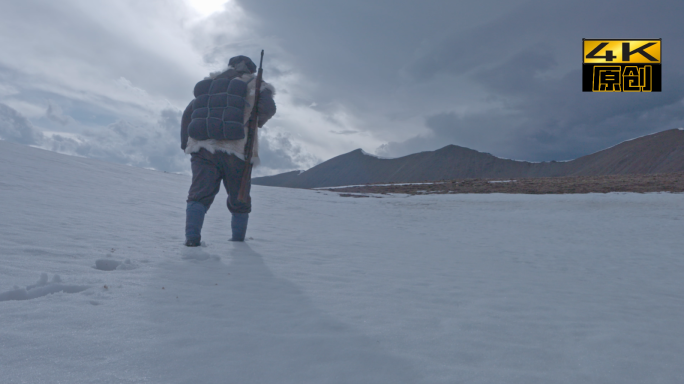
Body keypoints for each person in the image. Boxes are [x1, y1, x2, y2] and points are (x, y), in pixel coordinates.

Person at [180, 55, 276, 246]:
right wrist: (256, 122)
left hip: (202, 147)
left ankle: (192, 238)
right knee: (239, 197)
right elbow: (268, 107)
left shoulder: (211, 83)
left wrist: (186, 143)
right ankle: (238, 242)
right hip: (237, 148)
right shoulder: (255, 84)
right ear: (251, 69)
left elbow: (188, 113)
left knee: (199, 194)